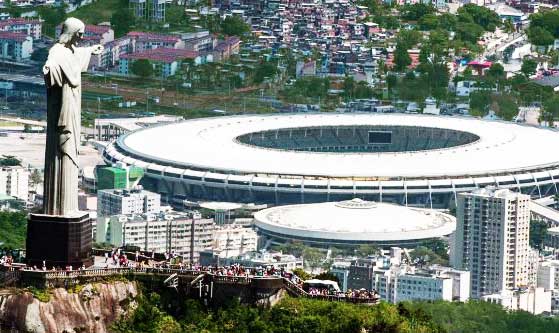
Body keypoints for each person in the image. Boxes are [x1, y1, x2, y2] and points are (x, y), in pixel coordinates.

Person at [42, 17, 104, 216]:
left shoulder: (69, 51)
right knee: (61, 152)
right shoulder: (57, 51)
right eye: (80, 34)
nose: (82, 37)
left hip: (73, 106)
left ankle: (67, 208)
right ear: (71, 32)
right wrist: (49, 70)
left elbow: (75, 55)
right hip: (63, 109)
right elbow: (51, 64)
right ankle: (57, 209)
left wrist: (90, 50)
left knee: (71, 152)